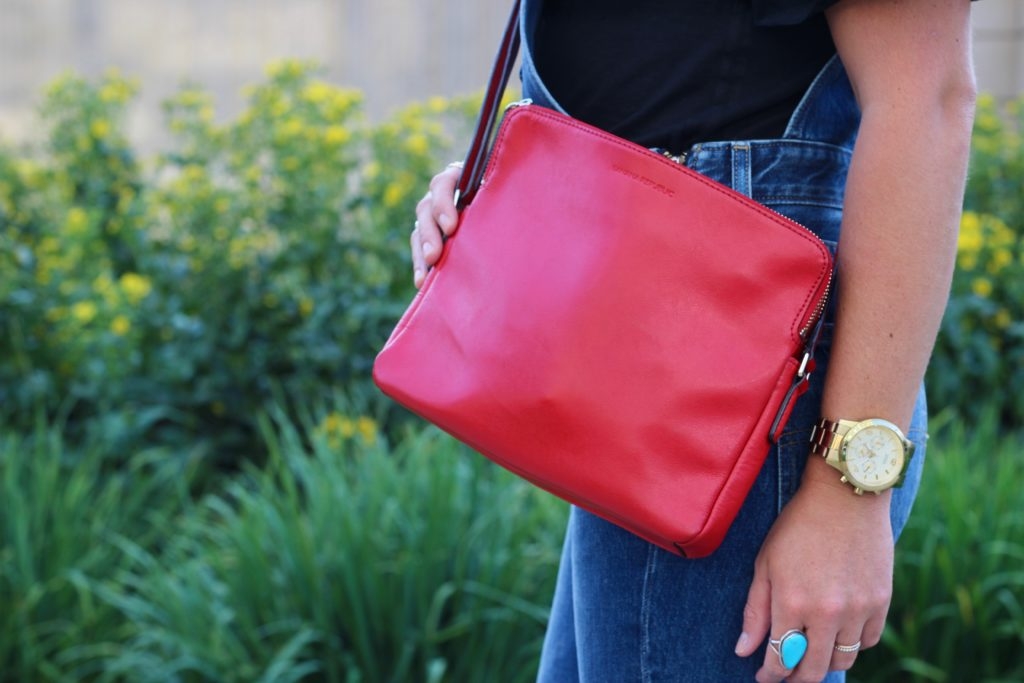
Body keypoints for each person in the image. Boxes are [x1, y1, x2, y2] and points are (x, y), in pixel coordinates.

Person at [409, 0, 977, 680]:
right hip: (661, 343)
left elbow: (929, 102)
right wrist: (515, 179)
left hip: (744, 371)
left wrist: (846, 495)